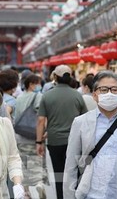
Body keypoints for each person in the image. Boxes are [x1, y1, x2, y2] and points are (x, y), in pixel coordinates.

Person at [63, 71, 117, 199]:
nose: (109, 93)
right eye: (104, 90)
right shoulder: (81, 123)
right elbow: (71, 165)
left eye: (114, 89)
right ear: (94, 95)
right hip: (91, 194)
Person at [36, 65, 87, 199]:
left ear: (54, 77)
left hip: (54, 141)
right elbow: (86, 120)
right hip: (74, 142)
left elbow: (41, 121)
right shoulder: (77, 95)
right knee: (73, 174)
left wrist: (38, 141)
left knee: (59, 175)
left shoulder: (47, 96)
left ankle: (60, 196)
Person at [13, 74, 47, 198]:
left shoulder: (19, 98)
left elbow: (16, 117)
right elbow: (41, 118)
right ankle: (37, 187)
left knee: (23, 165)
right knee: (37, 165)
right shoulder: (39, 97)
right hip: (34, 136)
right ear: (31, 84)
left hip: (20, 136)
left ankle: (26, 192)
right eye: (37, 83)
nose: (39, 86)